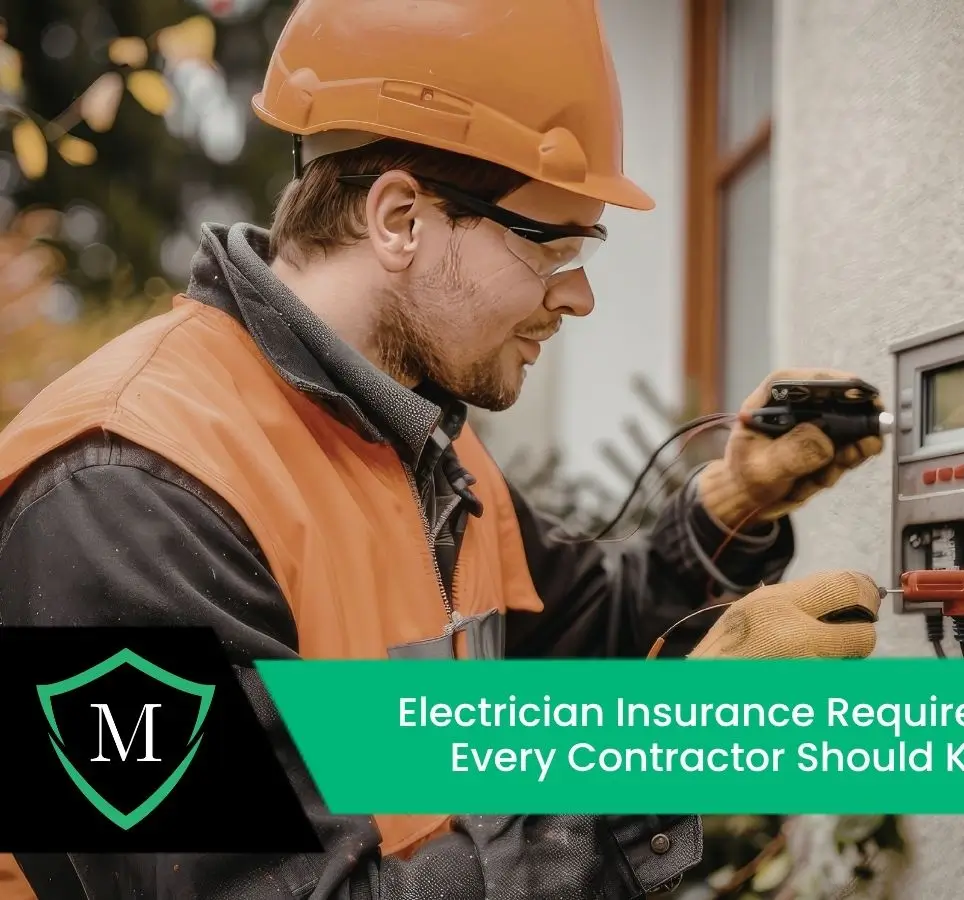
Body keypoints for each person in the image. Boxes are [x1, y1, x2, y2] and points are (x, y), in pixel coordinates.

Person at [0, 1, 886, 897]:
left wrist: (729, 508)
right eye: (553, 247)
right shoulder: (123, 494)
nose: (578, 298)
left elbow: (574, 645)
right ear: (399, 219)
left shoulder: (416, 449)